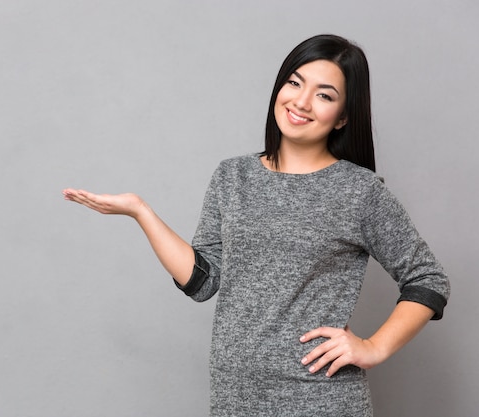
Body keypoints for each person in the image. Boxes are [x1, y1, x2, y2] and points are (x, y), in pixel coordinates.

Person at [63, 34, 450, 417]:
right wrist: (140, 212)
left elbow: (428, 278)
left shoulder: (358, 190)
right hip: (235, 398)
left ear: (344, 116)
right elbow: (204, 282)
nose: (301, 101)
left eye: (324, 94)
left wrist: (374, 347)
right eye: (294, 82)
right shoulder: (233, 176)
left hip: (319, 400)